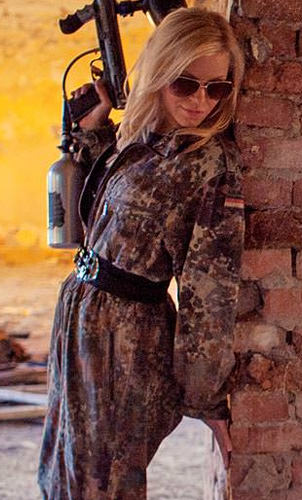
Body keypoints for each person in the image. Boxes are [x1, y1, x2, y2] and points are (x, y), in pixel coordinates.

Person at [38, 8, 246, 499]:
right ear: (158, 73)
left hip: (126, 343)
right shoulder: (145, 139)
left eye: (216, 88)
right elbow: (108, 215)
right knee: (62, 475)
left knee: (102, 486)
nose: (201, 101)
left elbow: (209, 295)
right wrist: (93, 133)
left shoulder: (211, 166)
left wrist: (210, 403)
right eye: (185, 84)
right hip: (82, 325)